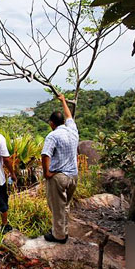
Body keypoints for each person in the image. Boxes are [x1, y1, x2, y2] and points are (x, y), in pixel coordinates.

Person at [41, 94, 79, 243]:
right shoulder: (72, 130)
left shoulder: (53, 135)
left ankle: (59, 236)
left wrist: (46, 172)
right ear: (62, 121)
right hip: (73, 176)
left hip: (59, 177)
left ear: (51, 123)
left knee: (57, 207)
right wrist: (63, 101)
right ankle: (63, 230)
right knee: (65, 205)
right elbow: (69, 116)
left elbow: (45, 155)